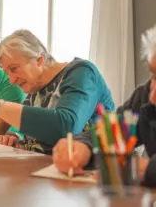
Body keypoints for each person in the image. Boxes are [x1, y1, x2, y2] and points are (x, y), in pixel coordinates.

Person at [0, 29, 114, 155]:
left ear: (39, 59)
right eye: (7, 72)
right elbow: (37, 134)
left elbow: (66, 127)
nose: (11, 80)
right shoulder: (34, 89)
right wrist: (17, 139)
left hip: (94, 174)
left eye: (14, 69)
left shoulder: (82, 73)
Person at [54, 25, 156, 181]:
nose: (153, 97)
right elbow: (112, 130)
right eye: (154, 76)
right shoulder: (145, 97)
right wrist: (84, 147)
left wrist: (146, 169)